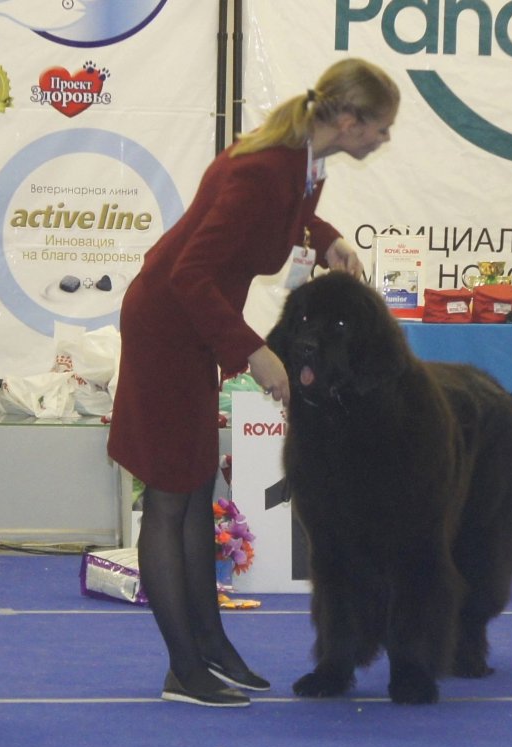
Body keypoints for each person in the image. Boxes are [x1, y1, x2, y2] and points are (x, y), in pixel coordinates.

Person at [107, 58, 400, 706]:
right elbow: (189, 274)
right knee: (169, 497)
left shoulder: (302, 161)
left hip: (190, 325)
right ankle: (184, 668)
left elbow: (275, 223)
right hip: (169, 323)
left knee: (191, 489)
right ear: (348, 121)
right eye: (380, 128)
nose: (383, 139)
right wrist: (252, 354)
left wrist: (324, 239)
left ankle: (210, 647)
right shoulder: (264, 168)